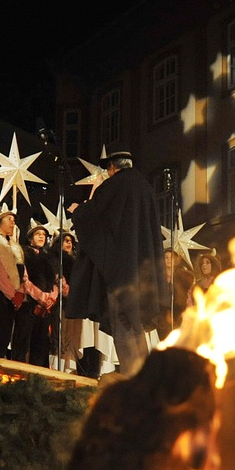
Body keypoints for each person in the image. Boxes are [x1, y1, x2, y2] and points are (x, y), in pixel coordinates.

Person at [66, 146, 166, 375]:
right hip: (143, 271)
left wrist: (77, 212)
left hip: (121, 271)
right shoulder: (146, 189)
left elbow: (98, 217)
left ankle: (132, 378)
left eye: (108, 169)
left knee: (122, 320)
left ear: (112, 167)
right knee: (136, 323)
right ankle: (143, 376)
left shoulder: (114, 186)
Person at [10, 223, 59, 366]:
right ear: (30, 238)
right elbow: (24, 279)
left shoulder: (49, 257)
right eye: (38, 234)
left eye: (43, 235)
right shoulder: (23, 252)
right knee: (23, 341)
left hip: (46, 308)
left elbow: (56, 280)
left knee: (42, 344)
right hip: (29, 305)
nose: (41, 237)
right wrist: (42, 298)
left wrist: (52, 298)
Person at [0, 206, 24, 359]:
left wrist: (21, 291)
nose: (13, 223)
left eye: (14, 220)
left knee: (5, 337)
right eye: (9, 219)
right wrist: (12, 294)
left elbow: (22, 272)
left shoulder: (15, 246)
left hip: (13, 297)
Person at [48, 231, 83, 372]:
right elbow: (58, 278)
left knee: (68, 338)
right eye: (65, 240)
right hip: (58, 302)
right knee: (58, 337)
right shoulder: (54, 258)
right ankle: (54, 369)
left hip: (70, 304)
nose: (69, 243)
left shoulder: (74, 262)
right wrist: (69, 292)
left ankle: (63, 369)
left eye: (70, 241)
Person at [160, 249, 195, 333]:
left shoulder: (182, 276)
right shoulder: (160, 277)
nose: (168, 259)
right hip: (164, 316)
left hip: (180, 312)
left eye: (171, 257)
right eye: (166, 257)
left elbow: (188, 292)